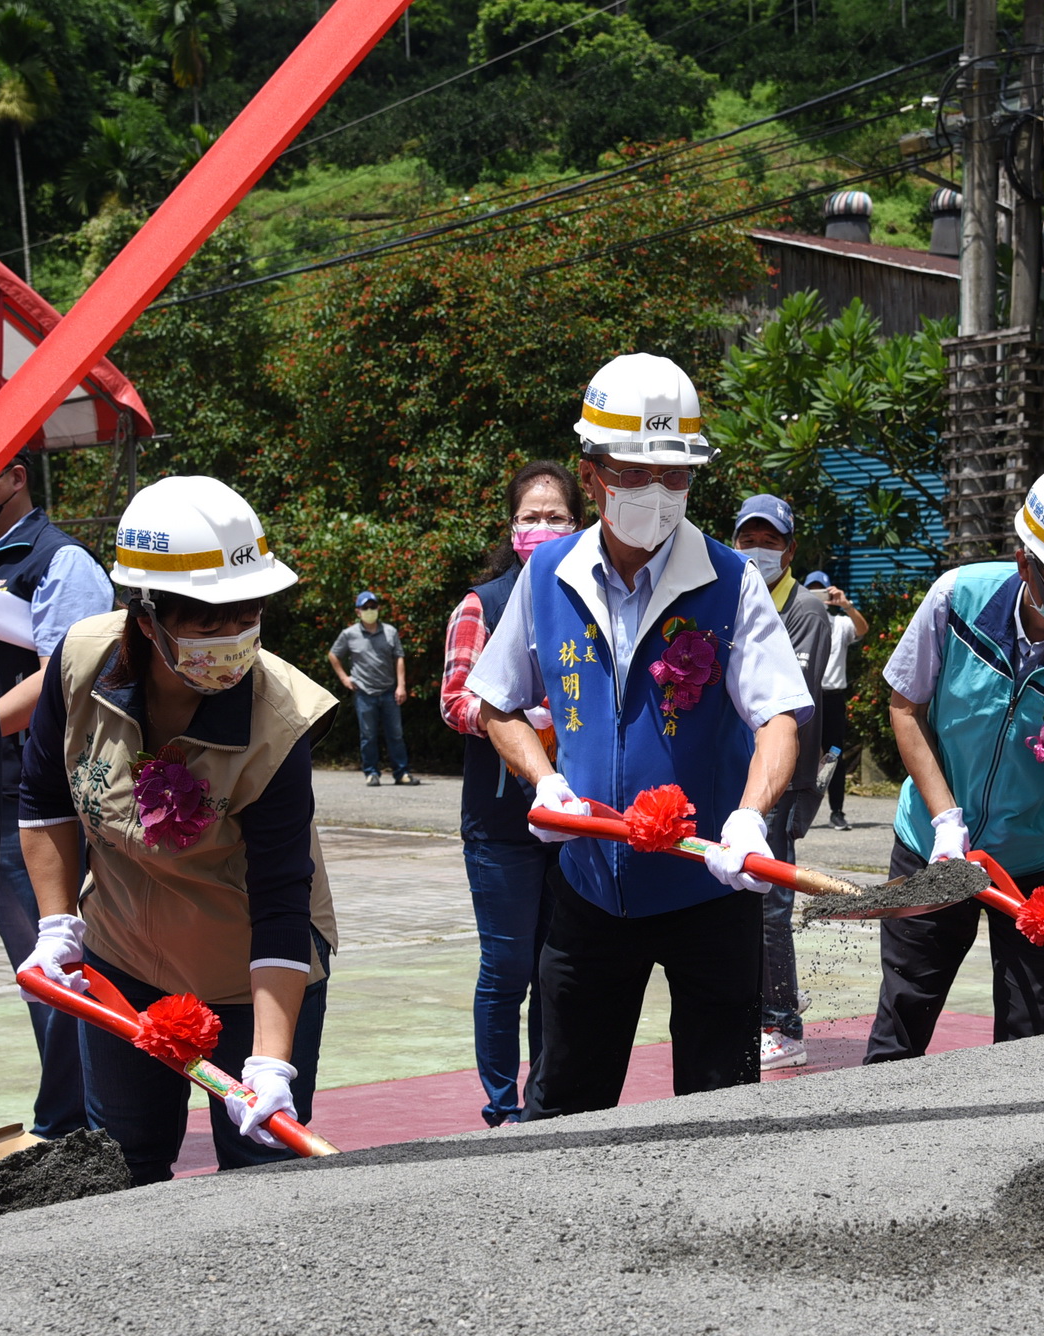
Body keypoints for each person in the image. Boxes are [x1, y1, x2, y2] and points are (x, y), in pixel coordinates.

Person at [468, 352, 813, 1117]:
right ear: (591, 475)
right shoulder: (549, 575)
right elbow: (494, 702)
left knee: (721, 1109)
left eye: (675, 475)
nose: (656, 493)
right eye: (634, 473)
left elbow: (780, 716)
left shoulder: (730, 580)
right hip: (590, 888)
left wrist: (750, 817)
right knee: (564, 1106)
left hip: (708, 886)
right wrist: (545, 782)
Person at [18, 475, 339, 1185]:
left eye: (247, 613)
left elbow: (282, 899)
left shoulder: (280, 720)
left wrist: (270, 1062)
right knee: (125, 1164)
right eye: (205, 620)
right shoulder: (79, 663)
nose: (232, 637)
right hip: (122, 957)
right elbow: (44, 797)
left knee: (259, 1168)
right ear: (145, 615)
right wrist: (56, 925)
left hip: (250, 967)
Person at [867, 460, 1044, 1064]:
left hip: (1041, 862)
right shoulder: (956, 600)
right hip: (934, 845)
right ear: (1026, 563)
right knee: (903, 1014)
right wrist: (945, 820)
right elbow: (906, 708)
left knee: (1026, 1037)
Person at [0, 445, 113, 1141]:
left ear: (16, 477)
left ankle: (73, 1124)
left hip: (27, 796)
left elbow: (65, 675)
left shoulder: (59, 561)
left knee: (53, 956)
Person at [440, 460, 582, 1125]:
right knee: (507, 969)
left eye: (557, 517)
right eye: (532, 517)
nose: (543, 527)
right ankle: (501, 1104)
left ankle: (546, 1098)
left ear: (579, 525)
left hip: (577, 819)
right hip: (502, 821)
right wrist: (516, 718)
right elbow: (454, 700)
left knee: (559, 967)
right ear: (512, 526)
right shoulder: (483, 604)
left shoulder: (589, 600)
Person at [730, 494, 830, 1072]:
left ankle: (783, 1025)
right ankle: (758, 1007)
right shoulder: (730, 594)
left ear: (790, 551)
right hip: (733, 775)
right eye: (749, 539)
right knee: (737, 901)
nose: (758, 550)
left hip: (780, 779)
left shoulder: (805, 610)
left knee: (770, 904)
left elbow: (787, 704)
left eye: (770, 542)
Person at [329, 591, 416, 786]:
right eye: (365, 607)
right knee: (368, 736)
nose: (370, 610)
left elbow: (399, 658)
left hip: (389, 691)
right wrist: (344, 678)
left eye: (373, 606)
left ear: (378, 608)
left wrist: (401, 686)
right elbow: (333, 655)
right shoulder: (349, 634)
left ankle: (401, 773)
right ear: (358, 611)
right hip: (364, 692)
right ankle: (371, 773)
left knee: (396, 734)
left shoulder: (390, 632)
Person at [807, 570, 868, 829]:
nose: (818, 597)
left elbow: (863, 629)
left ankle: (837, 811)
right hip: (807, 697)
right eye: (812, 591)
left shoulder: (841, 623)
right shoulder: (801, 621)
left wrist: (846, 605)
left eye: (822, 591)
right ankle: (794, 811)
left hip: (832, 698)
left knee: (834, 756)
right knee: (798, 755)